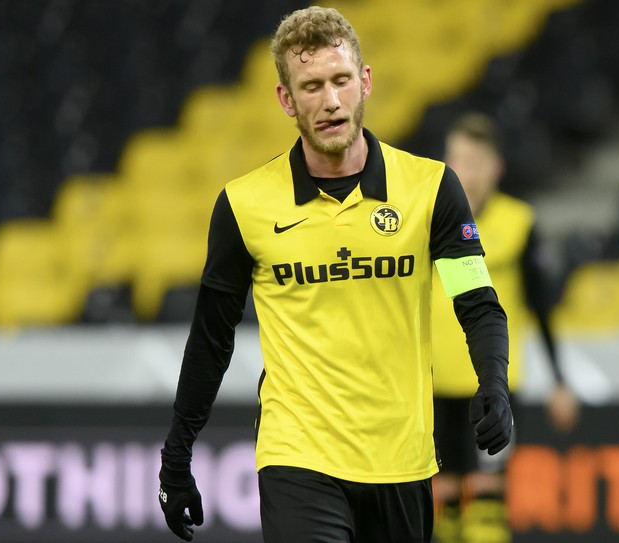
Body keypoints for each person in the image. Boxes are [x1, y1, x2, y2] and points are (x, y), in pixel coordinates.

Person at [158, 7, 512, 542]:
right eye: (311, 86)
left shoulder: (432, 188)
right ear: (286, 99)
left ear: (364, 82)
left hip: (402, 460)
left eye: (341, 80)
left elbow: (478, 303)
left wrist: (494, 383)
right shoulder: (244, 204)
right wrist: (176, 454)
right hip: (298, 457)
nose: (330, 101)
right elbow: (212, 338)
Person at [430, 113, 581, 543]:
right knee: (444, 506)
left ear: (496, 167)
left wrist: (559, 380)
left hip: (491, 384)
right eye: (458, 159)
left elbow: (541, 306)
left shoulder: (518, 223)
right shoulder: (428, 221)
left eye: (476, 160)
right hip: (433, 381)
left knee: (487, 504)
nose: (467, 172)